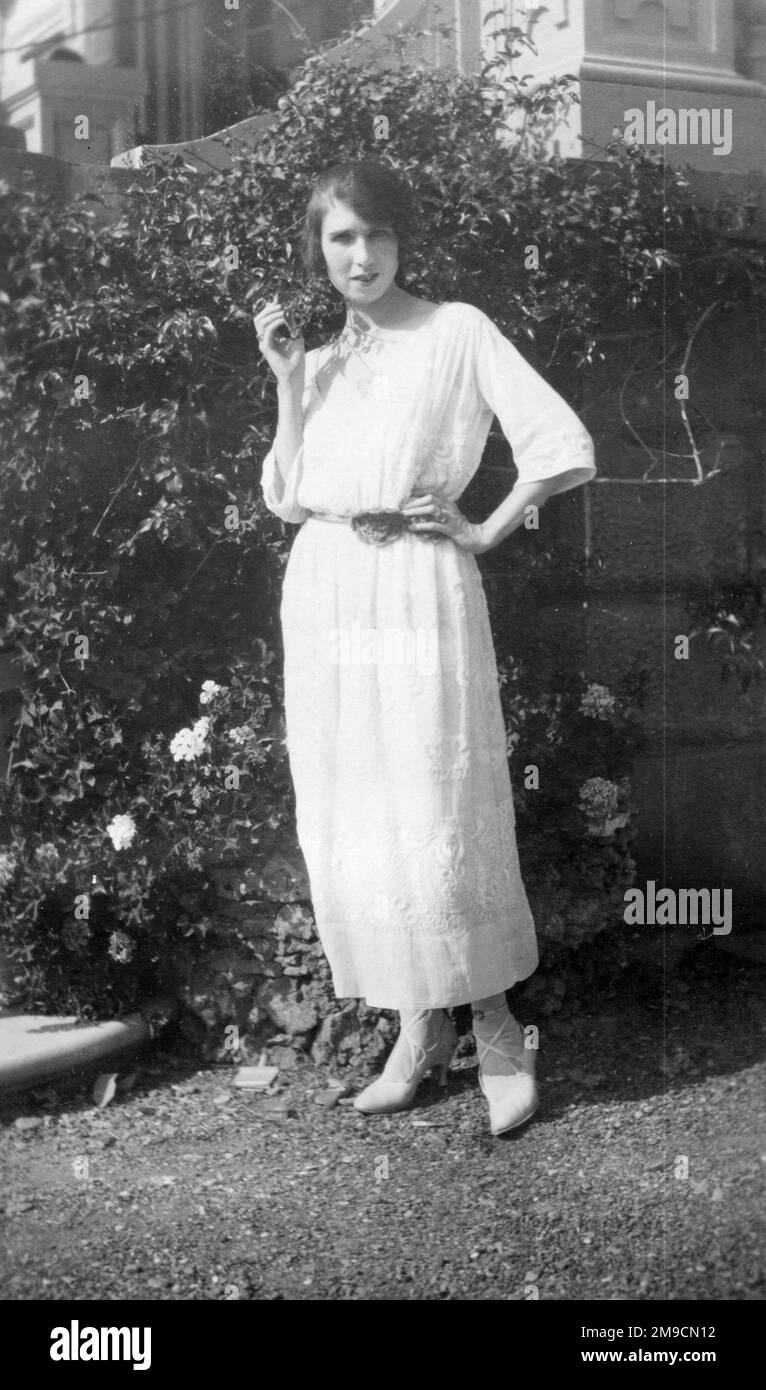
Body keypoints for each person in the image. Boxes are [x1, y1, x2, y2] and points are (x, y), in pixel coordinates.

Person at [255, 159, 595, 1136]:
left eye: (374, 235)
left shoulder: (458, 331)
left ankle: (493, 1028)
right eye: (339, 239)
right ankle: (416, 1029)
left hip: (417, 584)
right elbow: (285, 494)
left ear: (403, 239)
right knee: (357, 813)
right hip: (326, 586)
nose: (359, 256)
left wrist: (486, 528)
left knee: (439, 805)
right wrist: (285, 382)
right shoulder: (319, 363)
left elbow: (557, 441)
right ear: (319, 252)